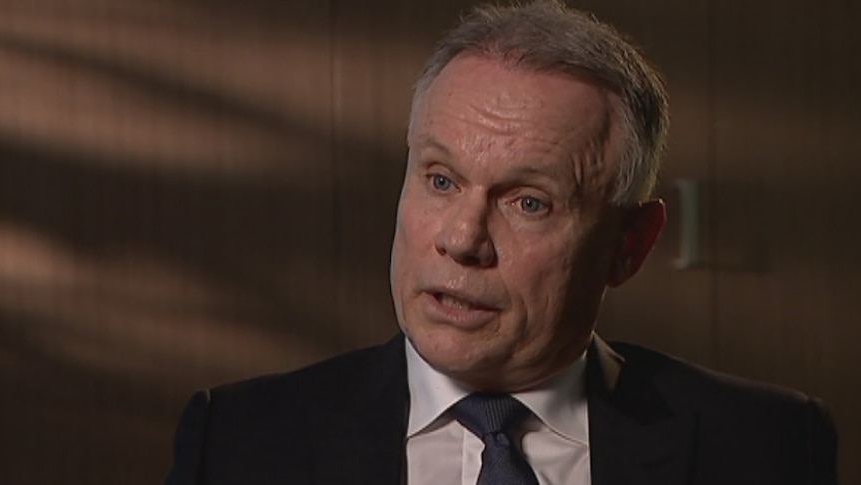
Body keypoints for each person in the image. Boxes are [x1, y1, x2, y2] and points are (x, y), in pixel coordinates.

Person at [165, 1, 838, 484]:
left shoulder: (764, 445)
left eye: (528, 202)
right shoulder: (241, 438)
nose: (461, 239)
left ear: (629, 245)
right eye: (440, 179)